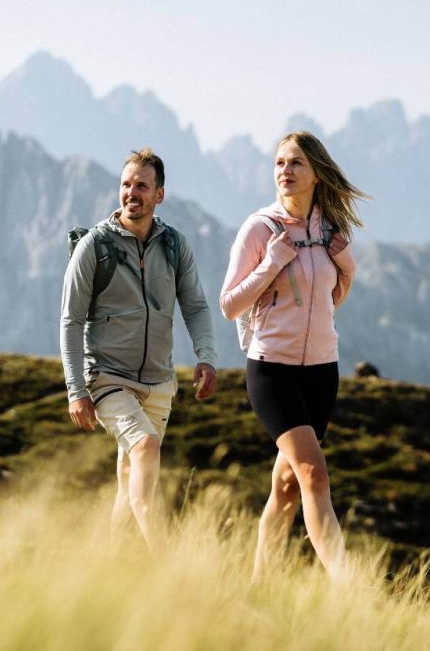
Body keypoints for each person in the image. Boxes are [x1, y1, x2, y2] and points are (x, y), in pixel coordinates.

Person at [220, 131, 366, 579]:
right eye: (280, 162)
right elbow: (229, 304)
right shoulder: (260, 229)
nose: (285, 170)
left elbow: (331, 296)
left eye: (296, 163)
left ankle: (260, 584)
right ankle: (350, 591)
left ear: (317, 173)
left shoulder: (328, 231)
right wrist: (271, 263)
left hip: (322, 372)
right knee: (314, 475)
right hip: (272, 372)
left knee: (286, 487)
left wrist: (348, 266)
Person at [60, 147, 218, 550]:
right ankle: (164, 562)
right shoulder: (93, 246)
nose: (132, 193)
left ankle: (106, 562)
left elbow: (196, 305)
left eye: (142, 186)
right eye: (126, 185)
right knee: (145, 449)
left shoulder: (174, 245)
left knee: (131, 475)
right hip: (109, 378)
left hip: (159, 384)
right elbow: (71, 320)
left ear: (159, 195)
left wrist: (206, 357)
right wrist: (77, 390)